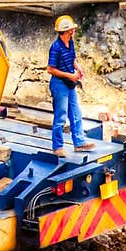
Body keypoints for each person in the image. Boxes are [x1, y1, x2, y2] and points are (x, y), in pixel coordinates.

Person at [47, 14, 96, 157]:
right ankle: (58, 147)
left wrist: (78, 67)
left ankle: (79, 142)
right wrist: (70, 75)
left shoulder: (70, 43)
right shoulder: (55, 47)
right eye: (71, 30)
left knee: (75, 113)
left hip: (70, 83)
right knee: (61, 116)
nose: (73, 32)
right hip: (59, 84)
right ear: (67, 31)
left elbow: (72, 59)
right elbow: (50, 69)